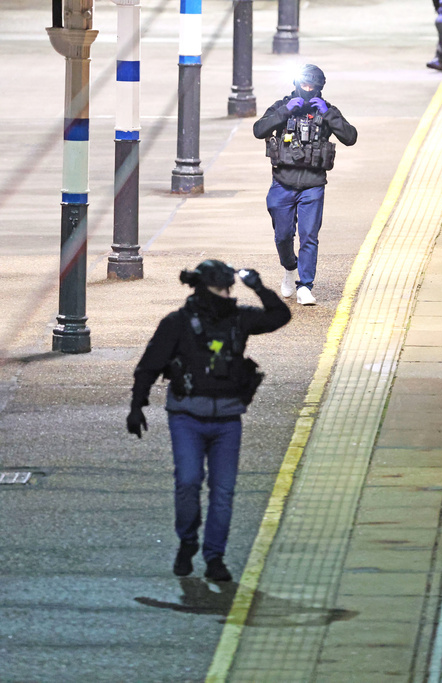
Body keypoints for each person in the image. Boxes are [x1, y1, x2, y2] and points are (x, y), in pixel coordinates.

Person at [126, 260, 291, 582]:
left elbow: (280, 317)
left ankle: (215, 556)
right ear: (203, 288)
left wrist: (258, 288)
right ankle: (188, 542)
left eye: (230, 288)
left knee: (223, 491)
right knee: (188, 482)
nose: (226, 294)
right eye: (220, 288)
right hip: (186, 417)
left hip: (228, 419)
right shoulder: (177, 323)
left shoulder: (239, 319)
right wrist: (137, 406)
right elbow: (149, 365)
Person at [253, 64, 358, 306]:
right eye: (304, 84)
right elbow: (259, 130)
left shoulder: (327, 110)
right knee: (283, 236)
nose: (307, 89)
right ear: (296, 84)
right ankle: (290, 268)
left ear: (319, 87)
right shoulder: (283, 105)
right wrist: (284, 113)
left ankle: (305, 285)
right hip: (282, 183)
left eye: (312, 85)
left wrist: (330, 115)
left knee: (309, 236)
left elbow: (350, 137)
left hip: (313, 184)